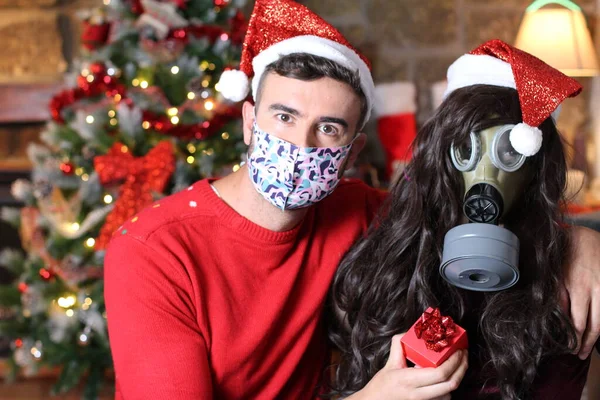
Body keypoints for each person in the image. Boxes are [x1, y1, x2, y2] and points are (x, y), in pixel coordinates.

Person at [104, 1, 600, 399]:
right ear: (249, 120)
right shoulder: (152, 251)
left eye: (328, 128)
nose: (301, 146)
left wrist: (580, 243)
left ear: (351, 151)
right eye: (283, 117)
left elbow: (460, 207)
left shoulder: (356, 210)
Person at [328, 40, 600, 400]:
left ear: (537, 166)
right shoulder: (384, 267)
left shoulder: (577, 280)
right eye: (466, 150)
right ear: (442, 155)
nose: (485, 176)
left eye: (510, 153)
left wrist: (584, 242)